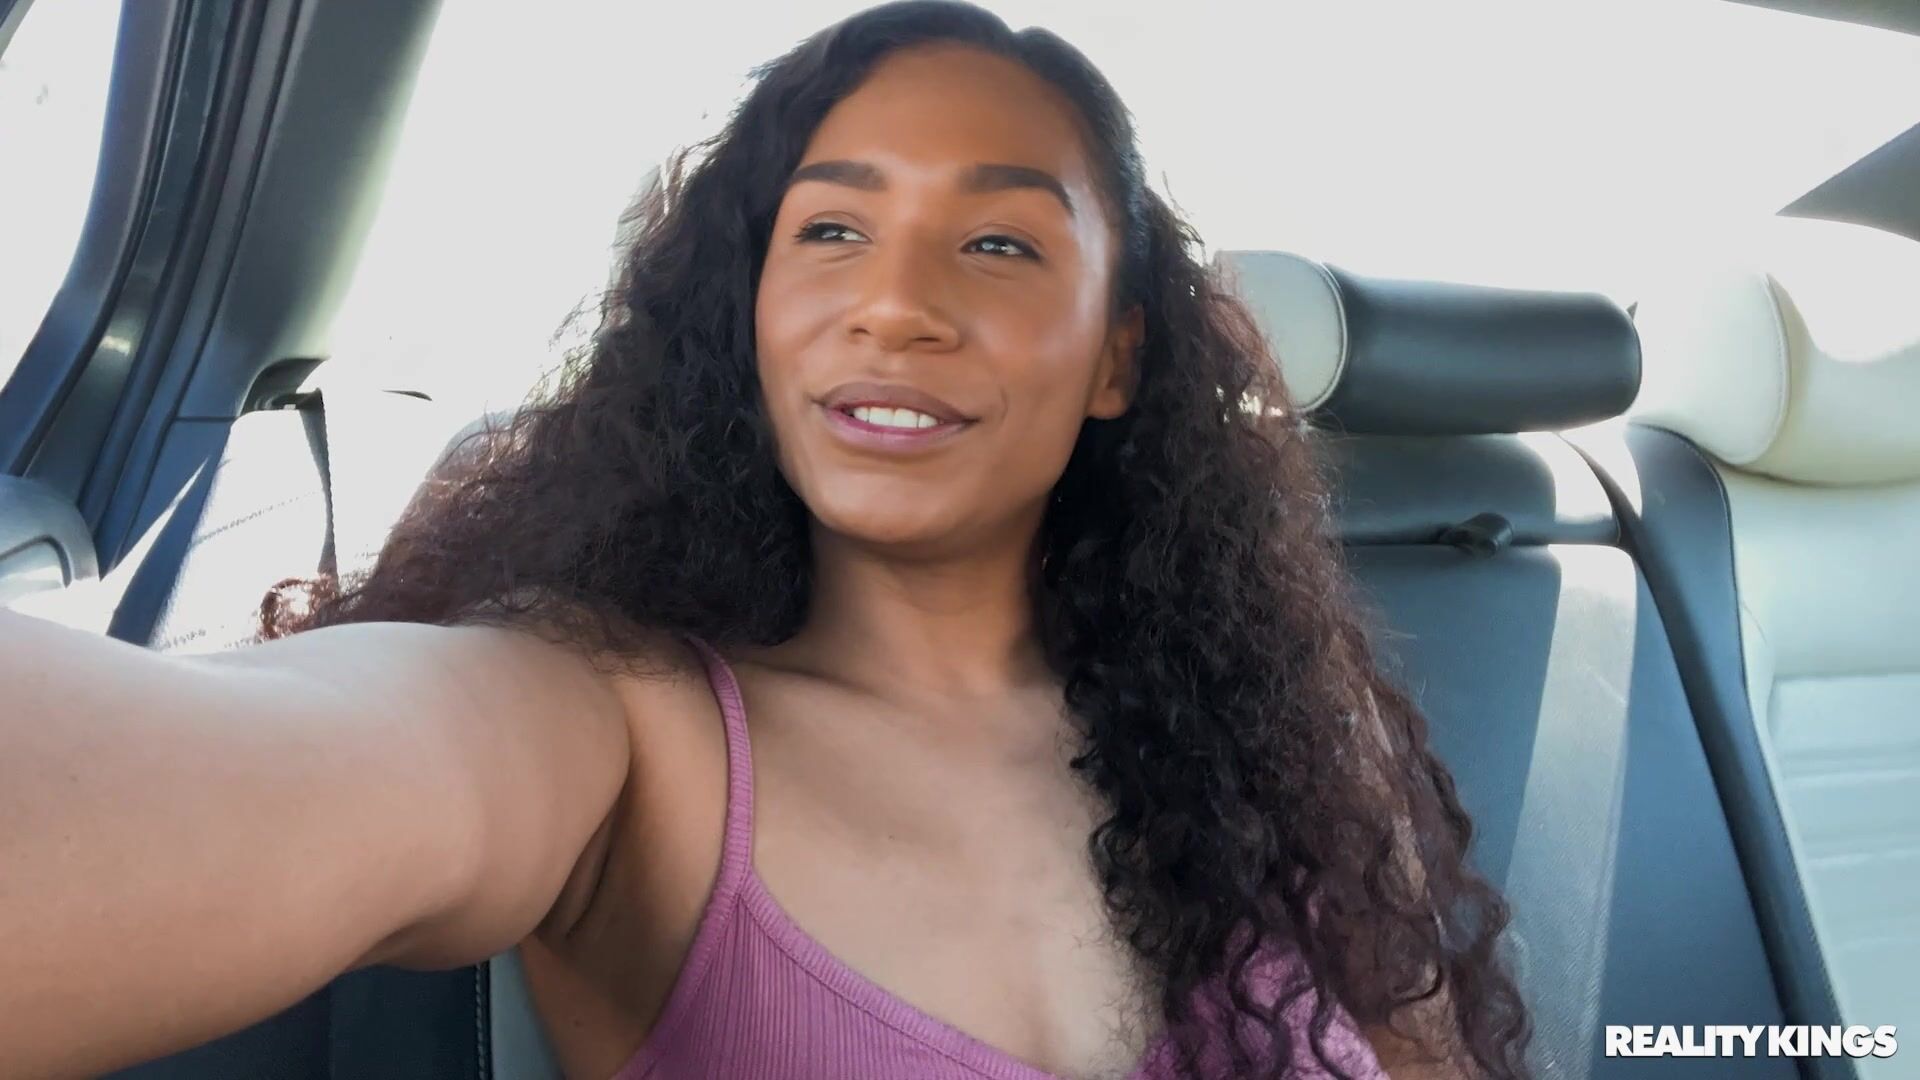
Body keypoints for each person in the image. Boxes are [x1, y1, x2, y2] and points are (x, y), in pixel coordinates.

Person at [0, 3, 1532, 1077]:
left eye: (999, 240)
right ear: (748, 321)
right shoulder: (615, 729)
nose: (896, 303)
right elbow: (258, 770)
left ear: (1118, 357)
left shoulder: (1283, 741)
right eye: (831, 230)